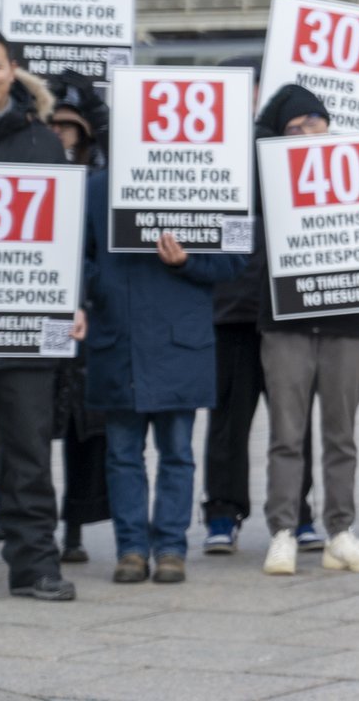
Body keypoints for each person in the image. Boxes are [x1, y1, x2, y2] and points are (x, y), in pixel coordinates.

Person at [0, 29, 76, 601]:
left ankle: (35, 566)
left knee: (29, 451)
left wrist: (71, 300)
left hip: (26, 326)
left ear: (12, 70)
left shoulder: (44, 144)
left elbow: (65, 236)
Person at [80, 177, 245, 584]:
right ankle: (131, 550)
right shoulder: (97, 186)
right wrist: (99, 283)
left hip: (178, 340)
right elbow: (70, 250)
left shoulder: (212, 178)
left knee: (176, 453)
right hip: (120, 336)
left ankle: (171, 548)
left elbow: (236, 257)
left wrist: (187, 261)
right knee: (122, 455)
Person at [254, 85, 359, 576]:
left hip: (346, 316)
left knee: (340, 434)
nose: (308, 131)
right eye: (295, 124)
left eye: (316, 120)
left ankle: (341, 530)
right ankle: (283, 530)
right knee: (286, 433)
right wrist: (268, 130)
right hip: (285, 317)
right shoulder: (266, 173)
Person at [202, 57, 318, 557]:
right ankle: (222, 513)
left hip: (286, 309)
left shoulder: (289, 152)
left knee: (294, 420)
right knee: (229, 420)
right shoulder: (204, 153)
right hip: (231, 310)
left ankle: (298, 512)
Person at [43, 72, 112, 564]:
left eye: (70, 128)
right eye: (55, 126)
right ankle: (32, 520)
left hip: (88, 318)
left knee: (85, 431)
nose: (62, 136)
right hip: (37, 307)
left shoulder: (98, 180)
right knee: (28, 431)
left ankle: (73, 527)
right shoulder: (29, 168)